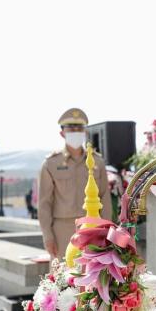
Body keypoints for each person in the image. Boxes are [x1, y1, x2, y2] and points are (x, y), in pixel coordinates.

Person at [38, 108, 112, 259]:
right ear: (62, 133)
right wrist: (48, 236)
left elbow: (105, 198)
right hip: (62, 230)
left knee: (92, 276)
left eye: (79, 128)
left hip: (93, 228)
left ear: (85, 132)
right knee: (63, 278)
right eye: (71, 128)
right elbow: (44, 204)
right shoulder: (51, 163)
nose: (76, 131)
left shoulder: (97, 161)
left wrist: (107, 231)